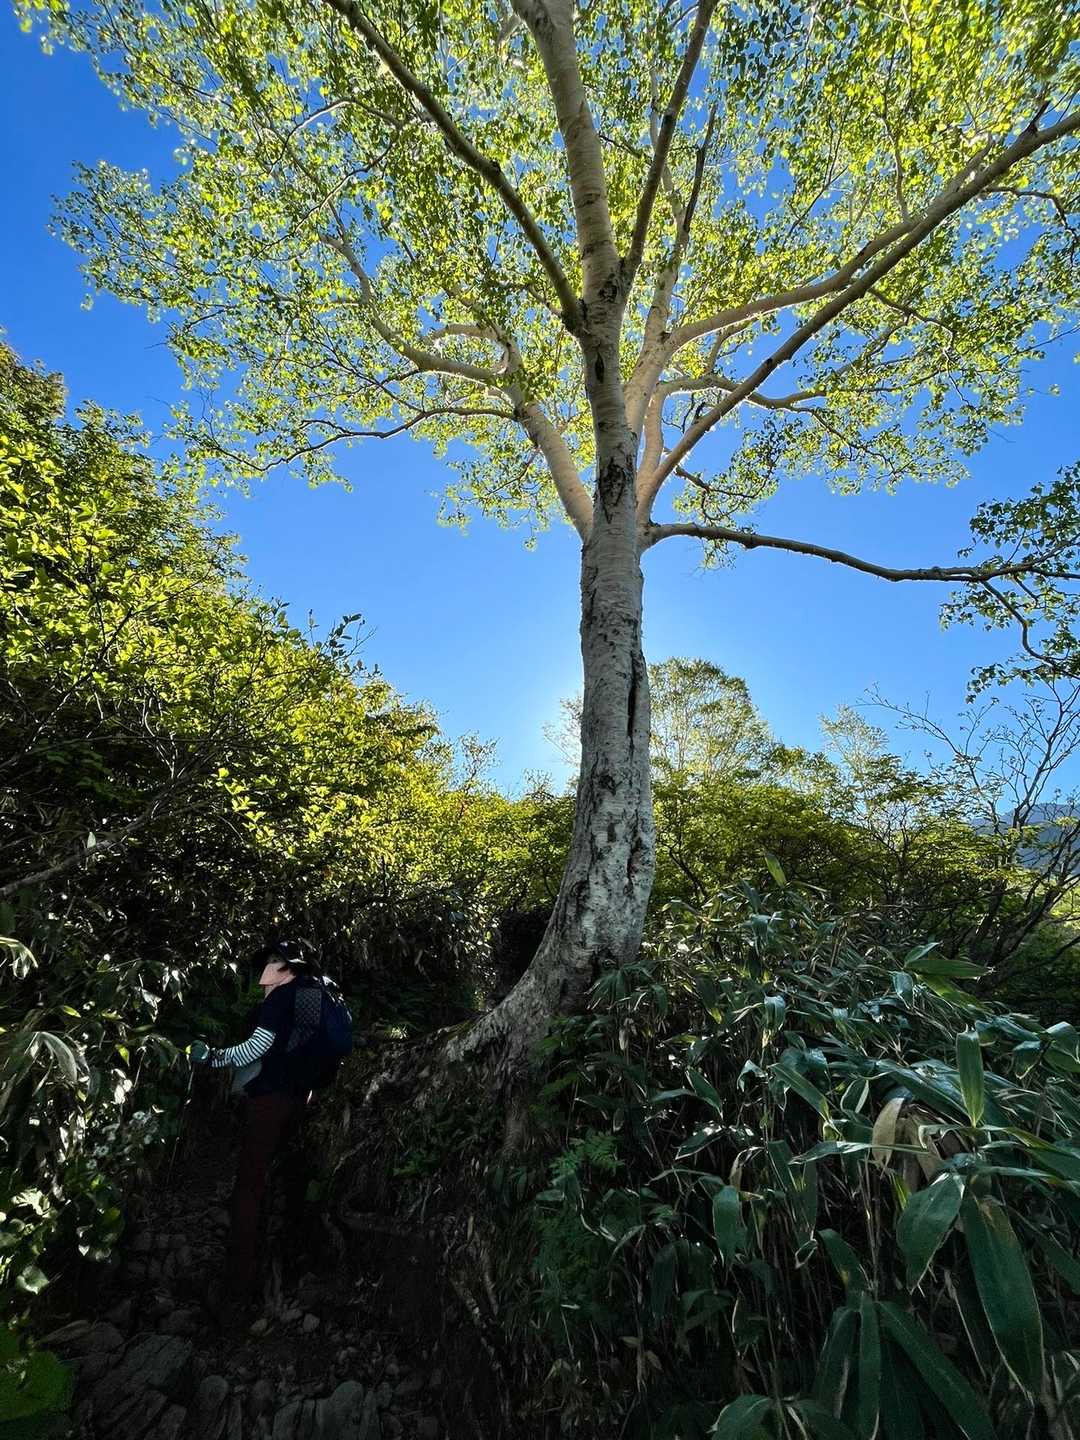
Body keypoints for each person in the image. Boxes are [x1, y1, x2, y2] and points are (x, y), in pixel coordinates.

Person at [190, 941, 351, 1308]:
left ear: (286, 968)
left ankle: (237, 1286)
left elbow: (257, 1047)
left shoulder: (281, 998)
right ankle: (280, 1265)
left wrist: (212, 1057)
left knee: (249, 1185)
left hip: (269, 1101)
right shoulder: (313, 995)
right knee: (280, 1175)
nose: (267, 969)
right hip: (300, 1100)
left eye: (274, 961)